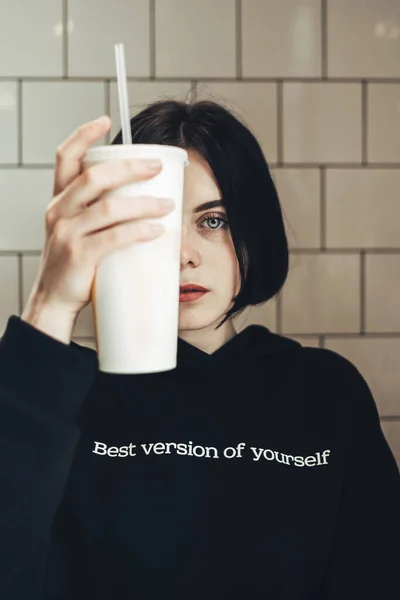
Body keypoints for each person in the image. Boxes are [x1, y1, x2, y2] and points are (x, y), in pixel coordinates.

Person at [0, 99, 399, 600]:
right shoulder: (55, 399)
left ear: (253, 232)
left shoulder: (325, 392)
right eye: (155, 224)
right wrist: (51, 304)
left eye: (213, 221)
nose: (183, 255)